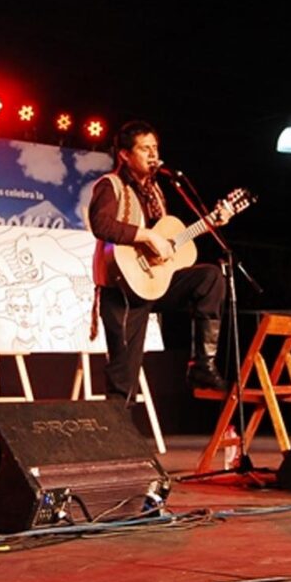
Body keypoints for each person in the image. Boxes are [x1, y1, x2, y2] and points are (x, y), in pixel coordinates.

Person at [87, 120, 229, 403]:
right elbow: (101, 225)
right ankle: (116, 443)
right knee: (123, 378)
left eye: (155, 148)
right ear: (125, 155)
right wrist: (146, 236)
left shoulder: (157, 193)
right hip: (123, 290)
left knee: (210, 278)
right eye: (144, 148)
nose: (153, 155)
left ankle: (202, 364)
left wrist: (211, 223)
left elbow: (168, 240)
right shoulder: (110, 185)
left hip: (153, 282)